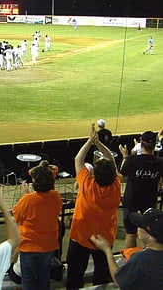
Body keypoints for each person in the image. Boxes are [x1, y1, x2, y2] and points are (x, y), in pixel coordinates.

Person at [66, 124, 121, 290]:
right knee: (102, 279)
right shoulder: (116, 185)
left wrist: (91, 141)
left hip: (81, 237)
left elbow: (78, 159)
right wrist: (98, 144)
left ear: (94, 175)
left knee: (74, 277)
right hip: (104, 240)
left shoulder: (87, 184)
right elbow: (110, 159)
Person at [12, 160, 62, 289]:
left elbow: (16, 216)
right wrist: (42, 169)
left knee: (28, 280)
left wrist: (26, 195)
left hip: (29, 247)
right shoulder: (56, 196)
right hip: (48, 246)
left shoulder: (27, 200)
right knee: (44, 277)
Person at [90, 208, 163, 290]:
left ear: (150, 237)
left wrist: (107, 250)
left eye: (140, 226)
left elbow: (119, 281)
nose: (137, 227)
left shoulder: (141, 259)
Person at [118, 130, 163, 248]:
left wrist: (125, 156)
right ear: (154, 145)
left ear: (140, 144)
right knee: (149, 234)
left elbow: (122, 172)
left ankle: (131, 261)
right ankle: (147, 260)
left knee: (131, 233)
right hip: (149, 203)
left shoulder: (132, 160)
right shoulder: (160, 162)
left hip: (131, 202)